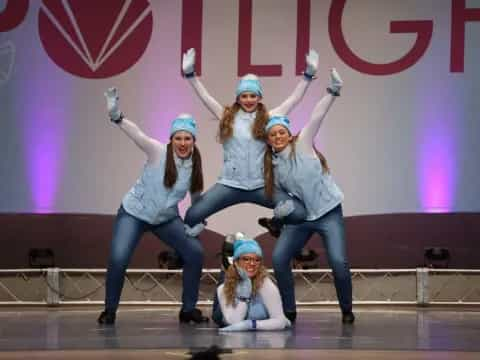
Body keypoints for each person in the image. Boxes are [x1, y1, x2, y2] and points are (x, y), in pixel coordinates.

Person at [180, 48, 320, 237]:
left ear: (259, 97)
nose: (248, 100)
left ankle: (275, 223)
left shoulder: (269, 118)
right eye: (244, 96)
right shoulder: (226, 116)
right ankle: (195, 234)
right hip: (229, 185)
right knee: (191, 215)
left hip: (261, 186)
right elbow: (205, 98)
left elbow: (293, 100)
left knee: (299, 212)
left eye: (252, 96)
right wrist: (190, 75)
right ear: (238, 98)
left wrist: (308, 75)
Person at [98, 88, 208, 325]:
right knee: (118, 257)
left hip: (166, 219)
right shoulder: (158, 152)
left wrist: (199, 221)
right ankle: (109, 311)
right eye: (178, 138)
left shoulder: (195, 165)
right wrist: (117, 116)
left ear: (193, 140)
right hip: (134, 213)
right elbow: (138, 135)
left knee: (195, 253)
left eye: (187, 138)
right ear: (171, 139)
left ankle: (188, 310)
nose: (182, 142)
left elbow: (197, 199)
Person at [262, 69, 355, 324]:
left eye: (281, 132)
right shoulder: (273, 168)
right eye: (273, 135)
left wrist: (332, 91)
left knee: (337, 261)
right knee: (280, 258)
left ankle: (346, 310)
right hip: (302, 219)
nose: (278, 136)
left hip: (328, 213)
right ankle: (289, 311)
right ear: (269, 140)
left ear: (289, 133)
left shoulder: (303, 142)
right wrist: (280, 213)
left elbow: (317, 115)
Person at [214, 237, 291, 331]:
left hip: (257, 337)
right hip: (226, 323)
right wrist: (244, 297)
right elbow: (234, 322)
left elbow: (280, 321)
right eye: (246, 259)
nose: (252, 263)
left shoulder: (266, 284)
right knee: (217, 315)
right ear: (236, 262)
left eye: (257, 260)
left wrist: (250, 324)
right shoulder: (223, 288)